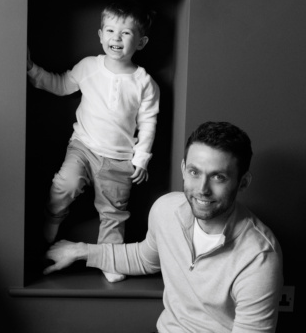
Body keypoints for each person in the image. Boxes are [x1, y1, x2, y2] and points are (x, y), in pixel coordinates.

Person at [44, 121, 283, 332]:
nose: (202, 188)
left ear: (243, 183)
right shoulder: (166, 209)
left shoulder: (259, 256)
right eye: (194, 172)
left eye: (218, 177)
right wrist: (80, 251)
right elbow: (144, 258)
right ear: (183, 169)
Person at [27, 0, 160, 282]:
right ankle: (52, 218)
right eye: (110, 31)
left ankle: (110, 259)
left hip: (119, 158)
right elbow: (61, 84)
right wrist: (32, 71)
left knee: (114, 213)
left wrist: (141, 158)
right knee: (65, 184)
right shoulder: (89, 66)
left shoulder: (145, 83)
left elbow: (148, 122)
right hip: (83, 147)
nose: (116, 38)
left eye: (125, 33)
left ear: (141, 42)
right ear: (100, 36)